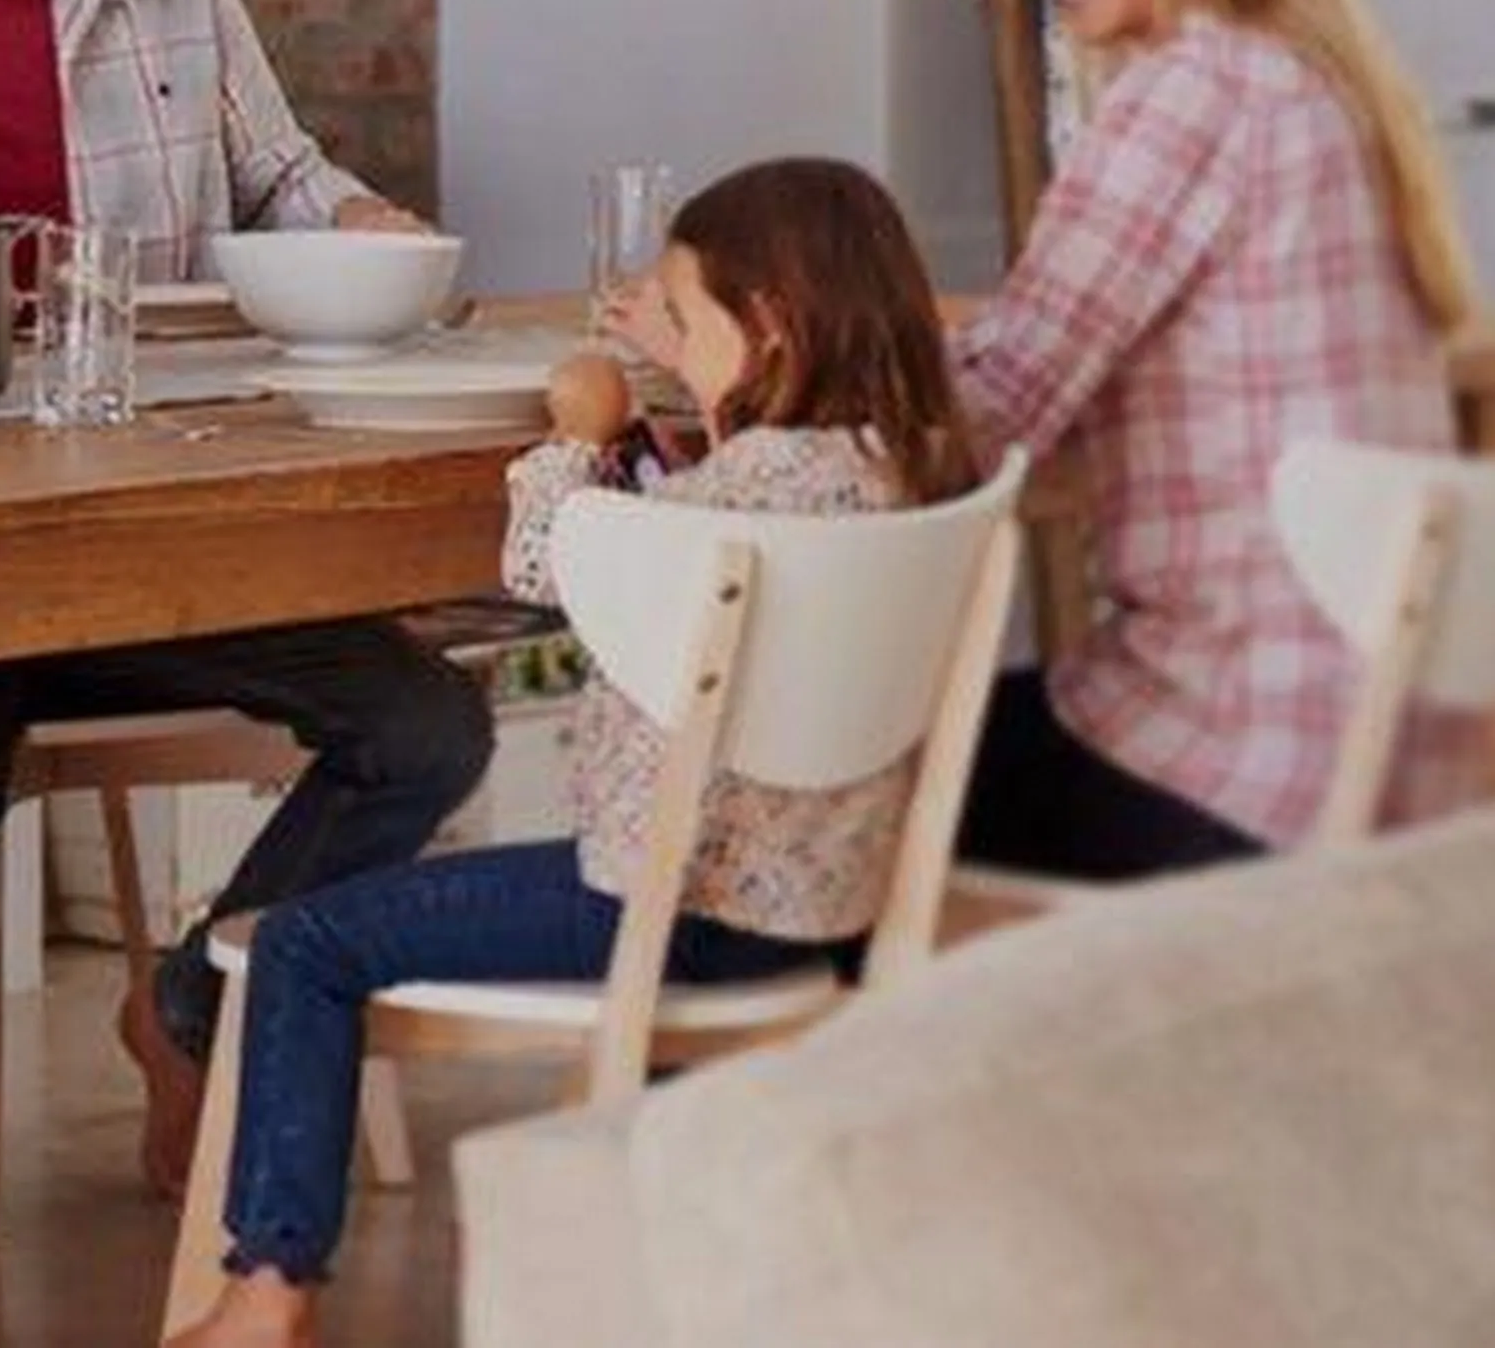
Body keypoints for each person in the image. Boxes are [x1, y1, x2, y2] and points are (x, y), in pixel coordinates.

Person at [168, 156, 977, 1348]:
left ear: (767, 329)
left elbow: (546, 560)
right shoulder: (915, 469)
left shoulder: (727, 497)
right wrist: (681, 397)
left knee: (303, 940)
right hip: (817, 911)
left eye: (685, 321)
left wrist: (574, 430)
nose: (673, 343)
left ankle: (267, 1288)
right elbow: (711, 509)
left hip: (659, 904)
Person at [0, 0, 492, 1197]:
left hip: (154, 528)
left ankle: (192, 1013)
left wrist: (363, 225)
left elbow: (282, 175)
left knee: (427, 728)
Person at [950, 0, 1480, 880]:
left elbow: (990, 412)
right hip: (1377, 747)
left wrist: (767, 360)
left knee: (840, 786)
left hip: (1239, 757)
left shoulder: (1190, 91)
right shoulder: (1310, 76)